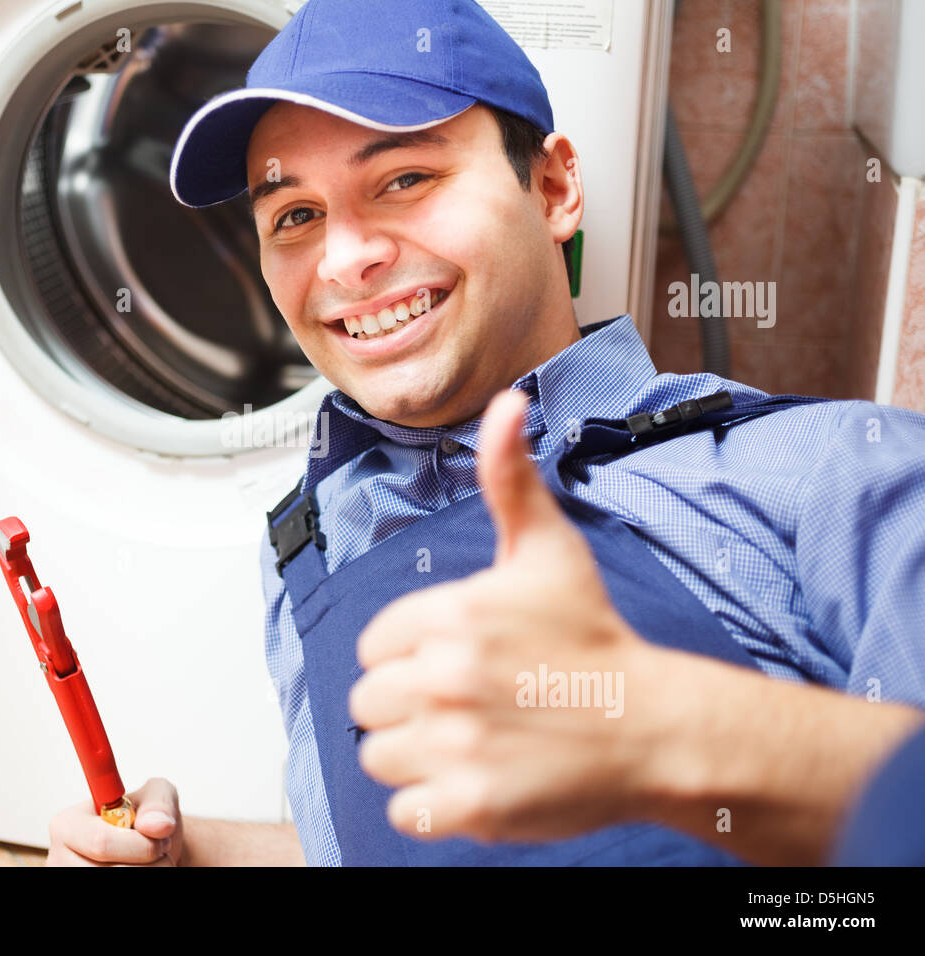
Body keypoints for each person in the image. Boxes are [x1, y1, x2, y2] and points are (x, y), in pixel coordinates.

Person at [46, 0, 925, 866]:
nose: (345, 258)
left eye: (404, 180)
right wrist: (191, 855)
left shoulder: (836, 472)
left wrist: (683, 731)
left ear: (553, 188)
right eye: (296, 216)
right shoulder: (306, 548)